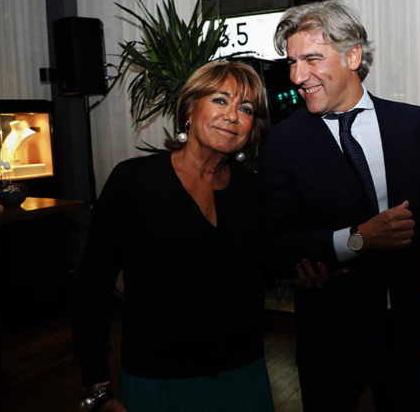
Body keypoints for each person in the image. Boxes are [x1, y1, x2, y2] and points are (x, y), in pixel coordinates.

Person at [259, 0, 420, 411]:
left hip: (406, 323)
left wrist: (397, 248)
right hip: (329, 327)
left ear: (352, 56)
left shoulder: (414, 124)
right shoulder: (282, 142)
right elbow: (277, 243)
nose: (297, 76)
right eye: (292, 62)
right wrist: (358, 240)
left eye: (311, 59)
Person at [72, 60, 274, 412]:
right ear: (189, 111)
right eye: (220, 100)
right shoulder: (133, 181)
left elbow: (266, 271)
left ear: (252, 128)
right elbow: (92, 287)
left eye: (246, 109)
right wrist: (98, 386)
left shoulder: (253, 190)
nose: (232, 116)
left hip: (243, 374)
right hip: (159, 379)